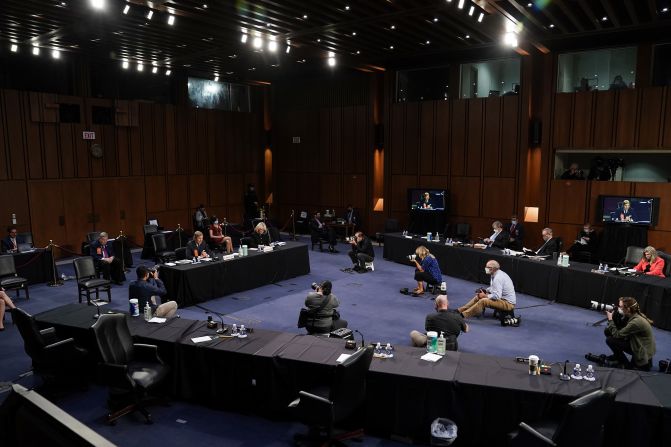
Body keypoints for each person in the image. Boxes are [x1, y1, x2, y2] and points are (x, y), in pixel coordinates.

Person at [604, 297, 655, 370]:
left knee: (610, 340)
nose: (618, 308)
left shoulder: (635, 322)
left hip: (642, 351)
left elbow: (617, 334)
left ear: (628, 309)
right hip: (637, 343)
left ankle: (626, 364)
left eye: (620, 307)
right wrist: (615, 317)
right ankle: (617, 356)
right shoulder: (633, 315)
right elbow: (619, 328)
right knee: (608, 331)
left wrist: (610, 319)